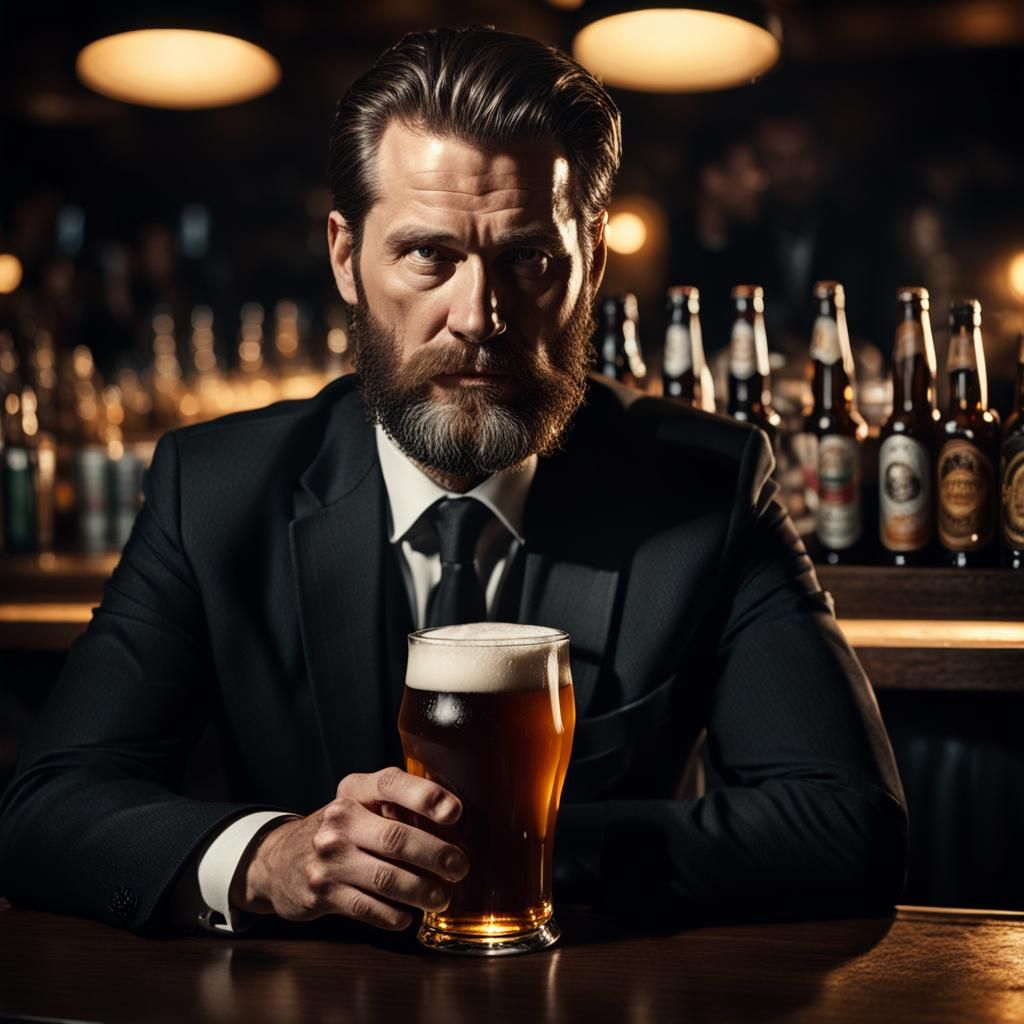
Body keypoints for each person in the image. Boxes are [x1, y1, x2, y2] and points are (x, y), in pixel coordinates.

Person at [0, 26, 907, 936]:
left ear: (589, 261)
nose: (479, 316)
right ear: (345, 258)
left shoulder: (706, 487)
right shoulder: (216, 489)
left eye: (529, 259)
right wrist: (268, 859)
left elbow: (846, 826)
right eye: (429, 256)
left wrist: (515, 850)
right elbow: (42, 813)